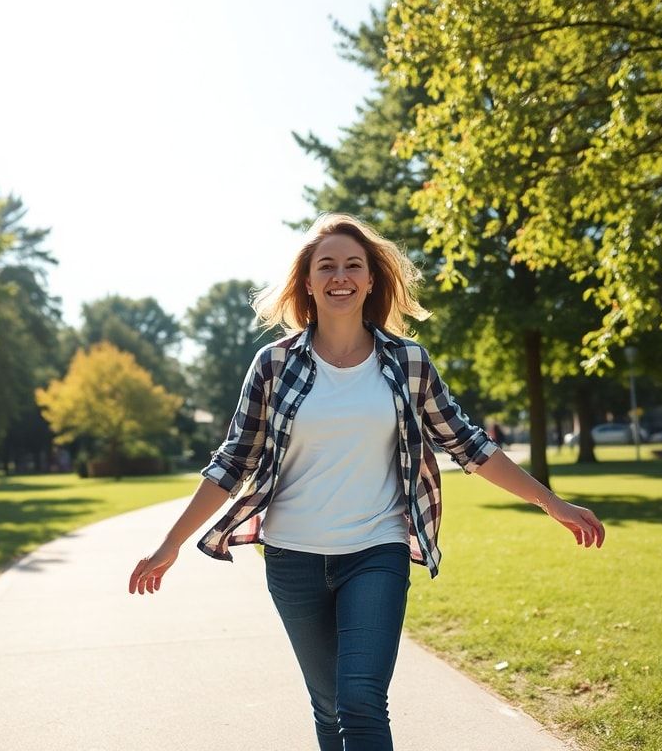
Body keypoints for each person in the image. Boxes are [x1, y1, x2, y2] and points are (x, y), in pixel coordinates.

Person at [129, 214, 604, 750]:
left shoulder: (407, 362)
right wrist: (170, 543)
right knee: (330, 704)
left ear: (372, 279)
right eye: (325, 265)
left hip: (375, 550)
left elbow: (468, 443)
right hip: (293, 557)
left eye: (353, 265)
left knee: (359, 699)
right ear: (306, 281)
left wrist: (549, 501)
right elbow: (234, 462)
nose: (340, 276)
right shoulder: (274, 364)